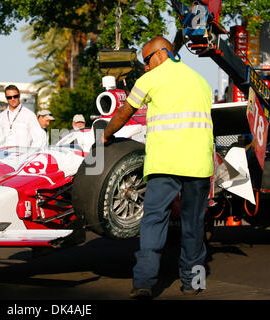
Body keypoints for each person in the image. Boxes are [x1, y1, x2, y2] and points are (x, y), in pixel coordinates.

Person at [102, 36, 214, 298]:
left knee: (153, 222)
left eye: (147, 60)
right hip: (198, 164)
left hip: (164, 162)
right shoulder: (201, 81)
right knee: (194, 225)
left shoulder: (150, 80)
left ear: (162, 53)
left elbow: (125, 112)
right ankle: (194, 282)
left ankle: (144, 283)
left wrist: (105, 135)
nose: (145, 67)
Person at [0, 85, 47, 149]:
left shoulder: (29, 115)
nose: (13, 99)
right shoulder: (2, 116)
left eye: (15, 96)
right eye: (9, 97)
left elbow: (39, 138)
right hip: (5, 156)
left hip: (23, 156)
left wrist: (30, 153)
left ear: (19, 95)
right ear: (6, 98)